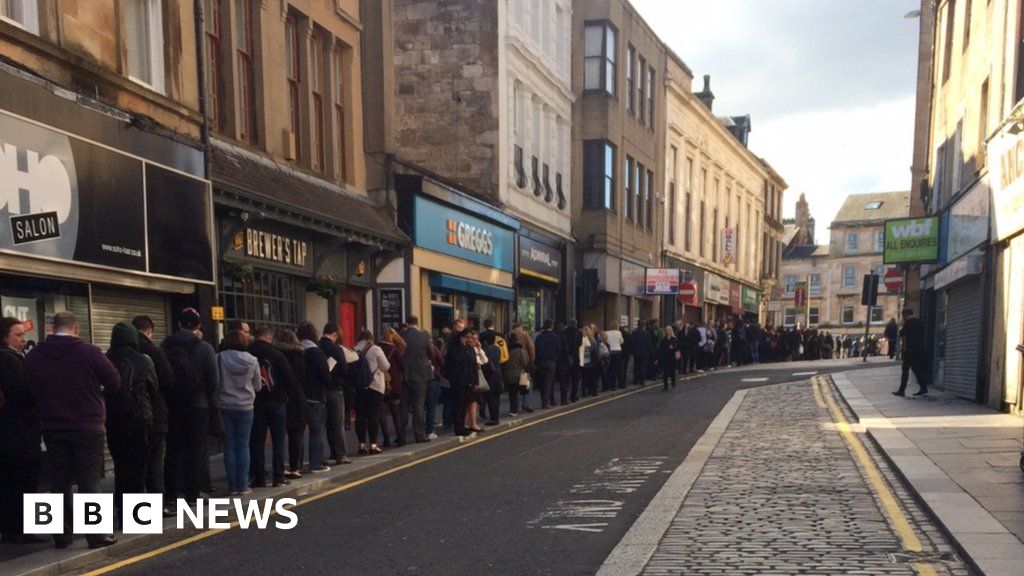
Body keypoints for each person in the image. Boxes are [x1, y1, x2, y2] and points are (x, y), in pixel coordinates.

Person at [25, 312, 119, 549]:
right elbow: (114, 381)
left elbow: (28, 388)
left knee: (59, 481)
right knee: (89, 482)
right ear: (75, 329)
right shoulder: (88, 352)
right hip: (87, 425)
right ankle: (96, 535)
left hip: (52, 425)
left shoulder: (35, 354)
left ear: (51, 328)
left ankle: (61, 535)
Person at [162, 308, 218, 504]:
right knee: (195, 449)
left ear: (178, 325)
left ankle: (170, 494)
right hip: (197, 405)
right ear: (199, 326)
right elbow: (213, 381)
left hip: (172, 406)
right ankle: (193, 493)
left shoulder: (165, 346)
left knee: (173, 449)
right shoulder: (204, 348)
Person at [105, 322, 157, 524]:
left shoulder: (106, 359)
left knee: (120, 466)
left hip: (113, 420)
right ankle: (136, 516)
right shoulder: (144, 360)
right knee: (138, 468)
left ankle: (121, 510)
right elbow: (154, 389)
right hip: (140, 419)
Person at [0, 318, 46, 545]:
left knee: (10, 483)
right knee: (24, 482)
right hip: (19, 434)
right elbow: (25, 396)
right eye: (17, 335)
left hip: (9, 434)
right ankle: (22, 529)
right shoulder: (10, 362)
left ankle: (10, 528)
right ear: (4, 338)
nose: (23, 339)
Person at [131, 316, 173, 502]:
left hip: (123, 417)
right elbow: (167, 381)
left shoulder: (113, 354)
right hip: (153, 414)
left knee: (130, 464)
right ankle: (155, 505)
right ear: (150, 331)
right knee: (154, 462)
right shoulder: (153, 352)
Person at [216, 330, 262, 495]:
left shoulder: (219, 358)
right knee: (243, 446)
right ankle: (242, 485)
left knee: (229, 446)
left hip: (225, 405)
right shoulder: (252, 360)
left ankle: (233, 485)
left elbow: (216, 382)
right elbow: (258, 385)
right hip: (246, 406)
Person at [248, 326, 293, 488]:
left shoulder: (248, 353)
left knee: (257, 441)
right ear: (268, 338)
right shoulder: (277, 355)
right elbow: (289, 379)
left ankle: (258, 477)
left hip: (256, 402)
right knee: (278, 440)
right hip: (277, 401)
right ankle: (278, 476)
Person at [297, 322, 331, 473]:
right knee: (316, 431)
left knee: (297, 432)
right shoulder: (316, 352)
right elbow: (325, 376)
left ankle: (295, 464)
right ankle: (316, 463)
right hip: (316, 395)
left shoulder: (297, 351)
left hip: (299, 396)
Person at [275, 329, 307, 479]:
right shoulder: (299, 356)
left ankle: (279, 467)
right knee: (297, 433)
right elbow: (304, 377)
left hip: (280, 395)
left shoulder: (275, 355)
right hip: (298, 395)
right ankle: (296, 467)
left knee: (279, 435)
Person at [319, 324, 351, 465]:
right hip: (336, 388)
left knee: (326, 424)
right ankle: (341, 454)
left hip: (320, 389)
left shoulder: (316, 347)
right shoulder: (336, 349)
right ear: (335, 334)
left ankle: (331, 451)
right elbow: (344, 369)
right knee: (337, 423)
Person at [354, 330, 389, 454]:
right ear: (370, 338)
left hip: (359, 387)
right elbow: (386, 366)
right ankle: (373, 445)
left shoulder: (354, 349)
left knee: (360, 416)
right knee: (373, 415)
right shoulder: (375, 349)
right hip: (375, 386)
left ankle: (361, 444)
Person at [400, 316, 433, 443]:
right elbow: (431, 354)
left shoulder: (400, 335)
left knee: (403, 406)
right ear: (417, 323)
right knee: (418, 406)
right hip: (420, 375)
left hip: (404, 375)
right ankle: (419, 435)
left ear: (407, 323)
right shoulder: (424, 337)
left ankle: (401, 436)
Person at [444, 328, 477, 437]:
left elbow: (474, 366)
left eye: (470, 337)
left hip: (468, 381)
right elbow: (453, 362)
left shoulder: (470, 349)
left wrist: (475, 381)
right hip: (458, 382)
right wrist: (453, 379)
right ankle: (458, 427)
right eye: (466, 337)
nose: (469, 339)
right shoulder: (454, 349)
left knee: (464, 406)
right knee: (458, 405)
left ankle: (462, 426)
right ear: (461, 337)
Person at [377, 328, 407, 447]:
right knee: (395, 413)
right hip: (394, 385)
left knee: (382, 413)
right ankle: (400, 438)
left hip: (380, 385)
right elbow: (402, 366)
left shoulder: (376, 348)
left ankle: (386, 439)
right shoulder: (394, 350)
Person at [894, 308, 930, 397]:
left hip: (909, 350)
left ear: (905, 315)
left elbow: (900, 334)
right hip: (918, 350)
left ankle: (901, 390)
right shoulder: (919, 322)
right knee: (917, 370)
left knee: (905, 371)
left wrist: (901, 325)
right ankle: (923, 387)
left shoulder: (908, 323)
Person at [533, 320, 561, 408]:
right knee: (548, 382)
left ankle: (544, 401)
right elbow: (558, 349)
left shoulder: (539, 337)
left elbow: (535, 349)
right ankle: (545, 403)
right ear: (552, 326)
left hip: (540, 362)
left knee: (542, 382)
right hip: (551, 361)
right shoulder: (555, 337)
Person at [502, 331, 530, 416]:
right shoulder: (519, 350)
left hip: (507, 373)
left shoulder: (505, 349)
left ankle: (512, 410)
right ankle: (517, 408)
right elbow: (524, 361)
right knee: (521, 391)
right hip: (518, 373)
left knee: (512, 393)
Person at [480, 330, 504, 426]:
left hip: (489, 375)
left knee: (490, 398)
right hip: (498, 374)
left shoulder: (485, 350)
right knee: (496, 397)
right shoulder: (497, 349)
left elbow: (484, 363)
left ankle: (493, 418)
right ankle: (496, 417)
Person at [563, 319, 582, 403]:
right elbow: (579, 344)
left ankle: (564, 397)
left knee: (565, 378)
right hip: (575, 357)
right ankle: (573, 396)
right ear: (576, 324)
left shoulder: (564, 331)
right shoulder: (578, 332)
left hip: (566, 357)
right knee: (575, 378)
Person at [602, 323, 625, 391]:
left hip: (609, 351)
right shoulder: (618, 333)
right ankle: (613, 386)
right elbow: (622, 341)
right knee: (615, 369)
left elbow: (605, 340)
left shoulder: (606, 332)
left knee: (609, 369)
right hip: (617, 351)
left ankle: (607, 385)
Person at [659, 325, 680, 391]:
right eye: (667, 330)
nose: (668, 331)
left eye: (669, 330)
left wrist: (673, 348)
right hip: (665, 358)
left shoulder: (675, 339)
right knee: (665, 373)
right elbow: (661, 349)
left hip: (672, 358)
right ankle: (665, 386)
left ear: (671, 331)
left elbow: (678, 348)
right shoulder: (663, 340)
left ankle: (673, 382)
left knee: (672, 372)